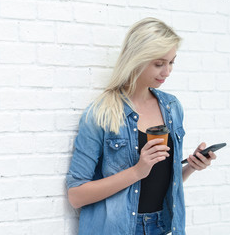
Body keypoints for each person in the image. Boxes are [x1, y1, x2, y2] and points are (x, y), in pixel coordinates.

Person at [66, 17, 216, 235]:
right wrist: (137, 171)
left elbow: (163, 183)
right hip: (117, 229)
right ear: (136, 59)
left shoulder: (172, 107)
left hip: (162, 226)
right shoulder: (101, 113)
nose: (167, 72)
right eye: (159, 64)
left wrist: (192, 165)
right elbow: (76, 195)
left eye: (172, 62)